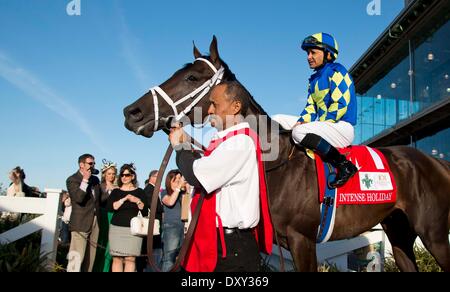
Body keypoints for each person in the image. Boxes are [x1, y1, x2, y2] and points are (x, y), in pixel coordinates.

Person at [169, 81, 273, 272]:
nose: (209, 110)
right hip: (224, 243)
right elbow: (202, 166)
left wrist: (180, 147)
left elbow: (195, 175)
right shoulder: (229, 141)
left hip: (231, 249)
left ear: (235, 107)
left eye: (214, 104)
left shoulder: (239, 141)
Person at [292, 32, 358, 188]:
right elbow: (310, 108)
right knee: (277, 120)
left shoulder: (337, 71)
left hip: (341, 127)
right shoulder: (313, 80)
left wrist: (312, 126)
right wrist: (301, 121)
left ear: (328, 54)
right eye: (308, 53)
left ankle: (344, 165)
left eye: (313, 52)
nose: (309, 57)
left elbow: (340, 105)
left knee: (298, 133)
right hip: (325, 126)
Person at [66, 154, 106, 272]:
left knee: (90, 257)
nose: (92, 166)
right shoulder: (72, 179)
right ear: (81, 165)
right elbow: (78, 198)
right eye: (90, 163)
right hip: (80, 222)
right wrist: (85, 180)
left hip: (95, 221)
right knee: (77, 256)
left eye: (94, 163)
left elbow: (101, 199)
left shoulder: (95, 180)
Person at [106, 163, 148, 272]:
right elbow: (111, 207)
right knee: (117, 258)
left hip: (134, 230)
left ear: (133, 176)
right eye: (122, 175)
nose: (124, 177)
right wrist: (123, 199)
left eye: (127, 175)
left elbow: (144, 210)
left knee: (130, 259)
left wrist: (136, 200)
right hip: (117, 229)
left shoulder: (140, 192)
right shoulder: (116, 192)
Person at [93, 159, 118, 272]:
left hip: (115, 216)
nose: (111, 176)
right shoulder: (100, 186)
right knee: (101, 242)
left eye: (113, 174)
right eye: (109, 174)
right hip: (103, 215)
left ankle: (106, 269)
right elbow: (98, 202)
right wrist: (108, 192)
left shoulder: (117, 187)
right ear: (104, 174)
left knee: (111, 245)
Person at [160, 170, 186, 272]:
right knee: (169, 258)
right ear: (170, 181)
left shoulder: (183, 193)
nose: (179, 182)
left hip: (184, 227)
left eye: (180, 179)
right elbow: (170, 202)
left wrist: (186, 188)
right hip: (171, 227)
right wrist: (178, 188)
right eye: (176, 180)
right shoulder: (164, 192)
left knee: (182, 259)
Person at [138, 170, 164, 272]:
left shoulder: (153, 189)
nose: (160, 179)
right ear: (151, 177)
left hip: (154, 224)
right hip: (151, 225)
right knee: (149, 251)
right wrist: (162, 207)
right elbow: (152, 206)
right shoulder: (149, 190)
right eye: (158, 177)